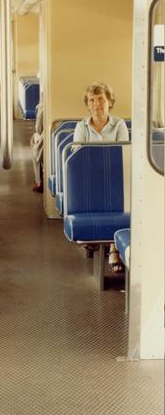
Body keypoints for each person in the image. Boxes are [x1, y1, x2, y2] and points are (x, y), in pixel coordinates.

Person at [73, 82, 130, 272]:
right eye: (92, 100)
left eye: (101, 99)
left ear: (110, 103)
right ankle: (95, 237)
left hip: (115, 174)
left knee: (119, 195)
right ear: (88, 105)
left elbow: (123, 152)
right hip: (91, 178)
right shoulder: (82, 127)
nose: (96, 104)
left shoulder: (119, 124)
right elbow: (78, 157)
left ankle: (114, 248)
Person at [31, 99, 44, 193]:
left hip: (45, 136)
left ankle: (39, 181)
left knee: (35, 141)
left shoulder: (43, 107)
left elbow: (38, 128)